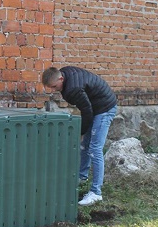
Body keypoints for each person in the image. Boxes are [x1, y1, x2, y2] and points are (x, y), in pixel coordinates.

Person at [42, 66, 117, 206]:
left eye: (54, 86)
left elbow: (87, 112)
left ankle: (96, 193)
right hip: (95, 107)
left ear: (61, 78)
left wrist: (81, 133)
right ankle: (82, 177)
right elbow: (87, 108)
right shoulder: (65, 73)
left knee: (95, 149)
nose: (53, 90)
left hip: (104, 108)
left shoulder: (72, 89)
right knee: (85, 146)